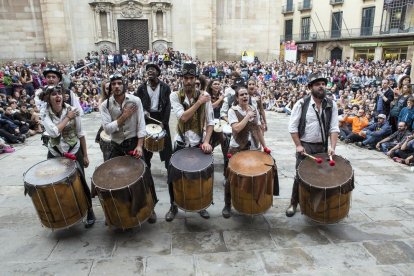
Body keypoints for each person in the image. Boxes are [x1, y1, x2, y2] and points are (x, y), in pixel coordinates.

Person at [100, 73, 158, 224]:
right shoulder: (105, 105)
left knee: (144, 176)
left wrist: (139, 145)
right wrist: (124, 117)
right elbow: (107, 129)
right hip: (116, 145)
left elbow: (141, 125)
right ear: (110, 87)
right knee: (111, 179)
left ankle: (150, 209)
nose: (117, 86)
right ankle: (114, 211)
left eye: (119, 83)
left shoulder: (135, 100)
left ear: (124, 85)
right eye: (114, 84)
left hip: (133, 143)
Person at [41, 84, 96, 227]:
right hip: (55, 152)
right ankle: (64, 212)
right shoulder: (44, 112)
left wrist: (85, 155)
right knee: (55, 183)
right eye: (53, 94)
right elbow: (53, 133)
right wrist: (67, 118)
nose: (57, 96)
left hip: (74, 150)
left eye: (59, 93)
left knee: (80, 181)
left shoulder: (73, 110)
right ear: (48, 98)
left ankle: (89, 210)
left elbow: (81, 133)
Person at [286, 73, 340, 217]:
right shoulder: (301, 104)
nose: (321, 86)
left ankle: (315, 204)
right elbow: (292, 127)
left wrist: (332, 147)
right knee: (300, 176)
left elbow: (334, 128)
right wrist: (298, 145)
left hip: (322, 146)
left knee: (321, 176)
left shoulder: (331, 104)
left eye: (323, 84)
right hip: (306, 145)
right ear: (310, 87)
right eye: (317, 84)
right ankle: (293, 203)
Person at [166, 63, 214, 222]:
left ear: (195, 79)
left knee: (203, 175)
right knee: (173, 175)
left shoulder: (205, 95)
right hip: (180, 142)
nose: (188, 81)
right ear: (181, 79)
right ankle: (173, 205)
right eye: (185, 78)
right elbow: (183, 117)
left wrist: (207, 141)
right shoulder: (174, 96)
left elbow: (211, 122)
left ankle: (202, 205)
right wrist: (199, 102)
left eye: (191, 78)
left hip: (198, 142)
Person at [222, 86, 276, 218]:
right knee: (231, 177)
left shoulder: (253, 108)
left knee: (266, 169)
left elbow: (257, 129)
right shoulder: (232, 111)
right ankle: (227, 204)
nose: (245, 96)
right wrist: (247, 116)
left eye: (246, 94)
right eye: (242, 95)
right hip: (237, 148)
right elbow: (237, 128)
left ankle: (255, 201)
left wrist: (265, 146)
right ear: (237, 98)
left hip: (253, 147)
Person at [134, 63, 173, 170]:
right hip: (147, 119)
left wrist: (164, 123)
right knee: (146, 148)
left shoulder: (165, 87)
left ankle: (170, 171)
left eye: (152, 69)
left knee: (167, 149)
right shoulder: (141, 88)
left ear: (158, 73)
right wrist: (143, 111)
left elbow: (168, 106)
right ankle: (146, 170)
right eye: (148, 70)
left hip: (161, 118)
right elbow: (138, 104)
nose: (150, 71)